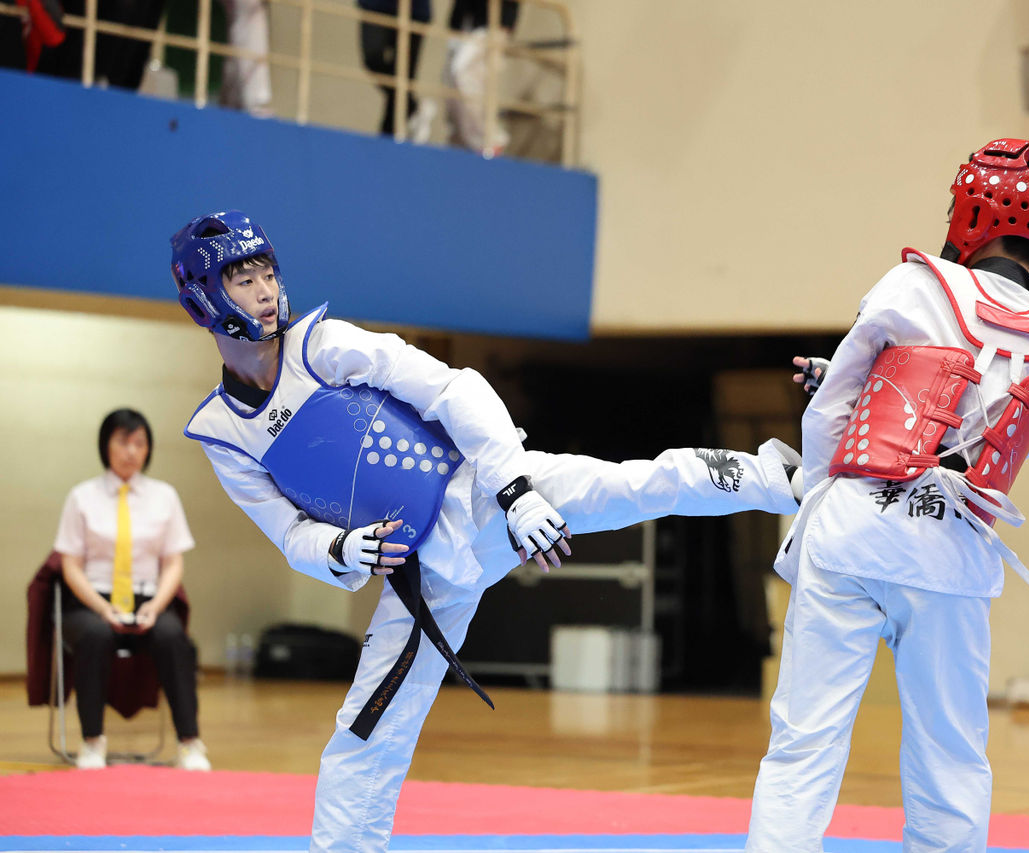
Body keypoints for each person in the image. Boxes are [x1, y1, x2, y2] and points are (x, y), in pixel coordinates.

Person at [170, 209, 801, 852]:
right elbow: (287, 533)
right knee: (367, 728)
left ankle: (786, 481)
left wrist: (516, 491)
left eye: (269, 274)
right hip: (423, 574)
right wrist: (339, 548)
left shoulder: (323, 346)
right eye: (244, 280)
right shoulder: (224, 433)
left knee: (637, 485)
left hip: (481, 489)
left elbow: (456, 390)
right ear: (205, 297)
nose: (266, 292)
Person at [746, 138, 1029, 852]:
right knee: (951, 754)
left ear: (972, 209)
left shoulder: (913, 286)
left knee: (804, 744)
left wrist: (819, 498)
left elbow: (831, 410)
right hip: (951, 553)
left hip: (853, 534)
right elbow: (1007, 445)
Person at [52, 408, 210, 771]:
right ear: (105, 445)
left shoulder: (165, 496)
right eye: (123, 441)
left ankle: (190, 743)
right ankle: (92, 741)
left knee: (173, 637)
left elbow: (173, 563)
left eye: (140, 443)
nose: (131, 451)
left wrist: (156, 605)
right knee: (94, 635)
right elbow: (70, 565)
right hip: (91, 601)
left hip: (147, 599)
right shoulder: (81, 497)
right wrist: (100, 607)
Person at [357, 0, 517, 151]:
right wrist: (455, 25)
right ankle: (458, 141)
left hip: (490, 21)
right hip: (466, 22)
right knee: (450, 83)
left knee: (463, 76)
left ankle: (490, 139)